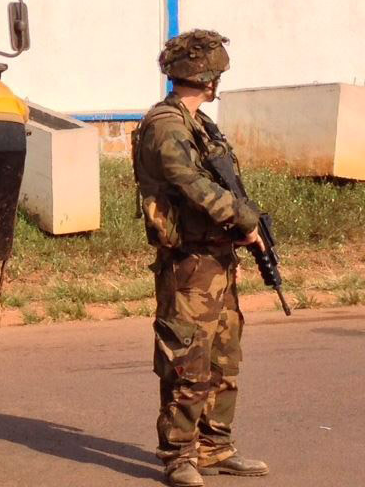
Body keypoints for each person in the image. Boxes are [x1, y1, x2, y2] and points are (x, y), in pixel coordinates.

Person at [131, 29, 271, 487]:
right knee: (187, 360)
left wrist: (243, 228)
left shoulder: (200, 124)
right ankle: (179, 455)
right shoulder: (166, 125)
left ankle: (215, 446)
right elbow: (191, 185)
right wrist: (244, 219)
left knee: (224, 357)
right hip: (189, 262)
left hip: (217, 258)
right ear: (208, 78)